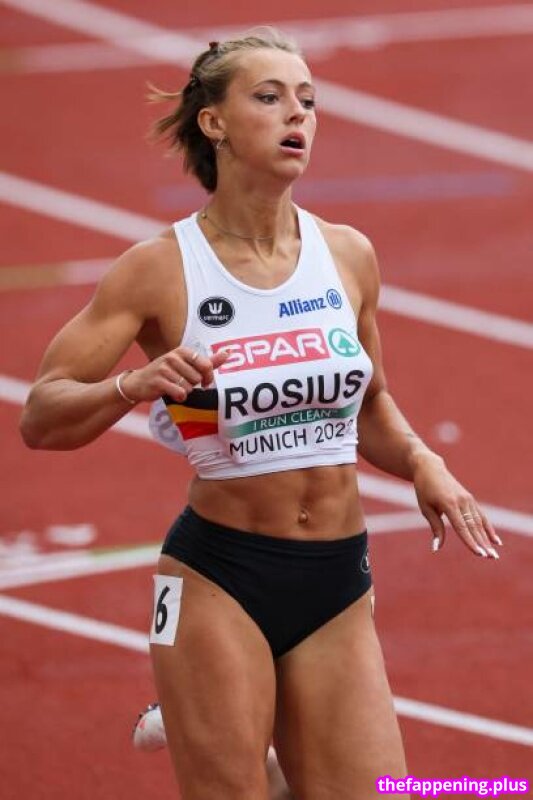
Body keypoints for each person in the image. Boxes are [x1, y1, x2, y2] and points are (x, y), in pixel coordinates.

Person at [21, 29, 502, 800]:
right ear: (214, 122)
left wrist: (422, 461)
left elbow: (370, 399)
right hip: (220, 575)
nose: (297, 115)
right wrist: (131, 385)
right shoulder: (160, 268)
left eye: (307, 100)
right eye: (270, 97)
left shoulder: (346, 255)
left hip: (335, 577)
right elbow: (41, 415)